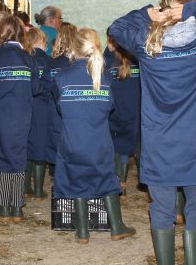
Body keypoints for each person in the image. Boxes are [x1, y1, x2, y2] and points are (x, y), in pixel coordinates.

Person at [109, 0, 196, 264]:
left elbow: (116, 28)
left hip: (162, 143)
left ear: (164, 10)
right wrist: (194, 9)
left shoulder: (147, 45)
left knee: (162, 208)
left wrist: (147, 13)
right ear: (185, 9)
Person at [54, 28, 135, 244]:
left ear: (74, 48)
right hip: (98, 140)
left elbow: (60, 108)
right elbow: (109, 108)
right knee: (107, 178)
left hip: (72, 140)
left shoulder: (62, 77)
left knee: (76, 178)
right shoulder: (105, 78)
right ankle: (117, 227)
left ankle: (82, 231)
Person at [0, 14, 40, 222]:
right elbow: (35, 88)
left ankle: (3, 207)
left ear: (1, 33)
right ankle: (17, 207)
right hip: (22, 114)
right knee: (18, 155)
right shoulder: (28, 59)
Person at [104, 32, 141, 196]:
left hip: (114, 112)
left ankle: (119, 182)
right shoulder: (137, 64)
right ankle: (126, 182)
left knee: (116, 148)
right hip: (134, 112)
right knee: (129, 147)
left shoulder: (109, 64)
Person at [43, 23, 77, 175]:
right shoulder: (78, 64)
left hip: (53, 109)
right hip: (74, 110)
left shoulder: (50, 63)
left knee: (55, 139)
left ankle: (56, 174)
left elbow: (43, 87)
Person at [23, 28, 49, 199]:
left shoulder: (24, 59)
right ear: (41, 41)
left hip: (25, 107)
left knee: (26, 144)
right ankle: (39, 189)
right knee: (40, 146)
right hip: (43, 107)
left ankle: (25, 187)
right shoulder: (48, 61)